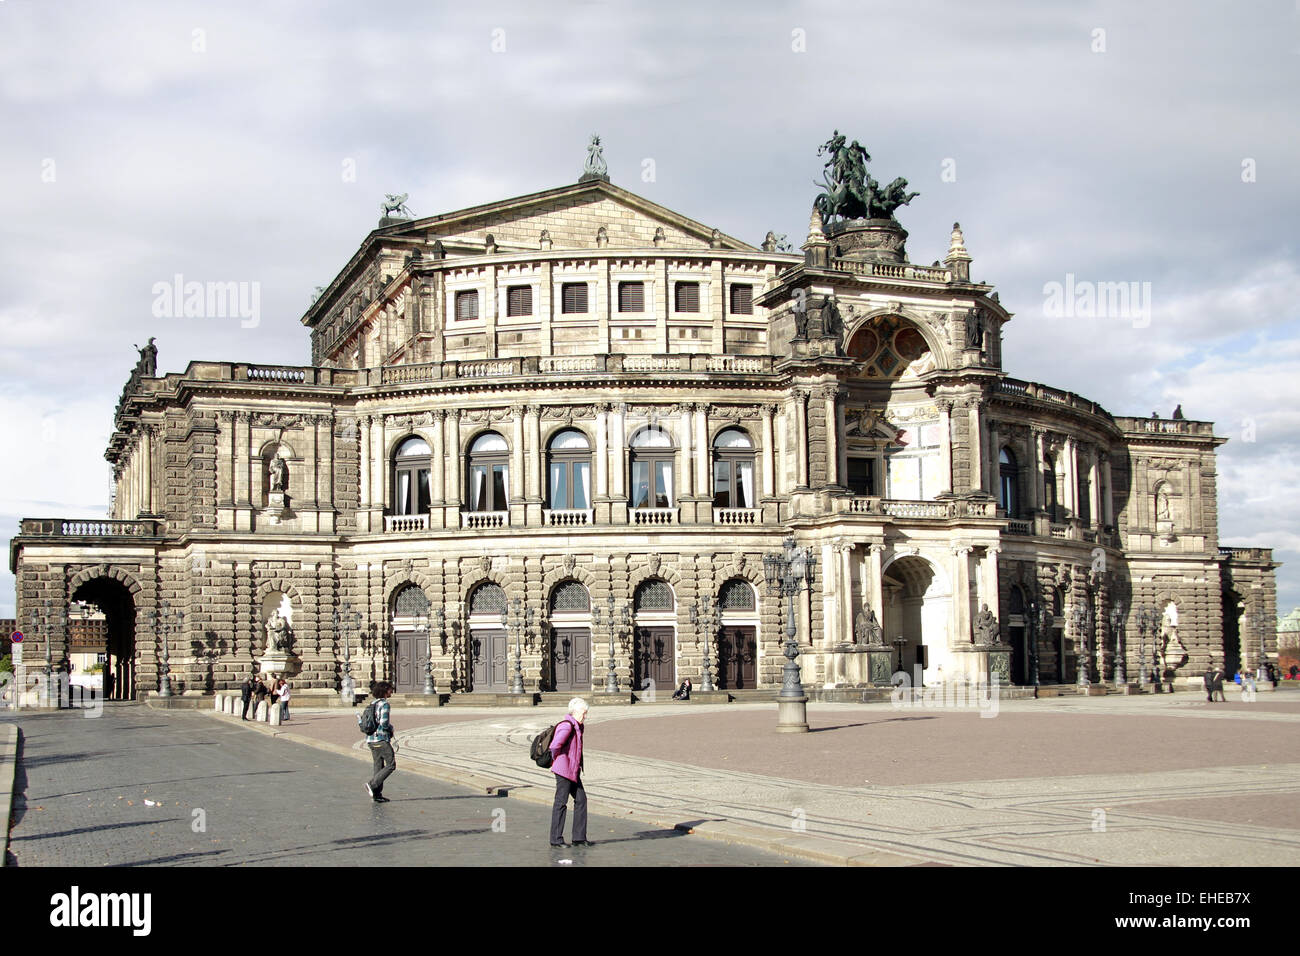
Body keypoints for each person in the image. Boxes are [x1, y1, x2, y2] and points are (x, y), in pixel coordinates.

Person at [549, 697, 590, 848]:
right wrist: (560, 762)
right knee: (561, 802)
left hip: (573, 771)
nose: (585, 716)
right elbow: (554, 746)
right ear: (575, 712)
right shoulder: (567, 726)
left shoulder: (578, 726)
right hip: (564, 770)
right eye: (584, 713)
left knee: (581, 800)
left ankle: (579, 837)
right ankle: (556, 839)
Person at [365, 681, 397, 803]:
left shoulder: (372, 703)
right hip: (381, 738)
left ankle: (377, 794)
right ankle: (372, 785)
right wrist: (390, 728)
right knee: (391, 764)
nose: (391, 691)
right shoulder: (384, 704)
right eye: (389, 689)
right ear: (385, 691)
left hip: (370, 740)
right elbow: (384, 723)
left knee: (378, 766)